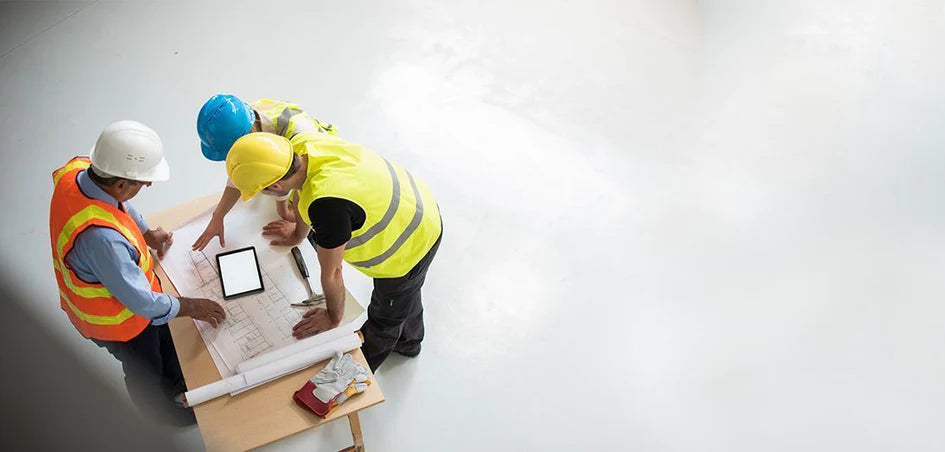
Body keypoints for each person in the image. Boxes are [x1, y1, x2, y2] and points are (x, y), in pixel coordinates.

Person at [49, 120, 226, 425]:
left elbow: (116, 204)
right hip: (117, 325)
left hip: (127, 306)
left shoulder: (80, 170)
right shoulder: (102, 240)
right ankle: (161, 414)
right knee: (146, 369)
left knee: (164, 344)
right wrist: (191, 306)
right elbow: (143, 303)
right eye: (143, 183)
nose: (149, 187)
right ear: (120, 183)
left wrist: (146, 233)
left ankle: (177, 378)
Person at [226, 131, 442, 371]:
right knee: (408, 293)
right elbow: (301, 193)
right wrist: (299, 232)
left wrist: (332, 317)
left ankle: (358, 375)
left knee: (385, 318)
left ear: (275, 185)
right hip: (418, 205)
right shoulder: (302, 145)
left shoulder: (326, 206)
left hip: (409, 245)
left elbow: (333, 273)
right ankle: (410, 343)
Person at [192, 94, 336, 251]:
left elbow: (305, 190)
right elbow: (241, 165)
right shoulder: (246, 120)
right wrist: (218, 215)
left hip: (323, 172)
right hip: (292, 170)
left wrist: (297, 232)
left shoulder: (302, 144)